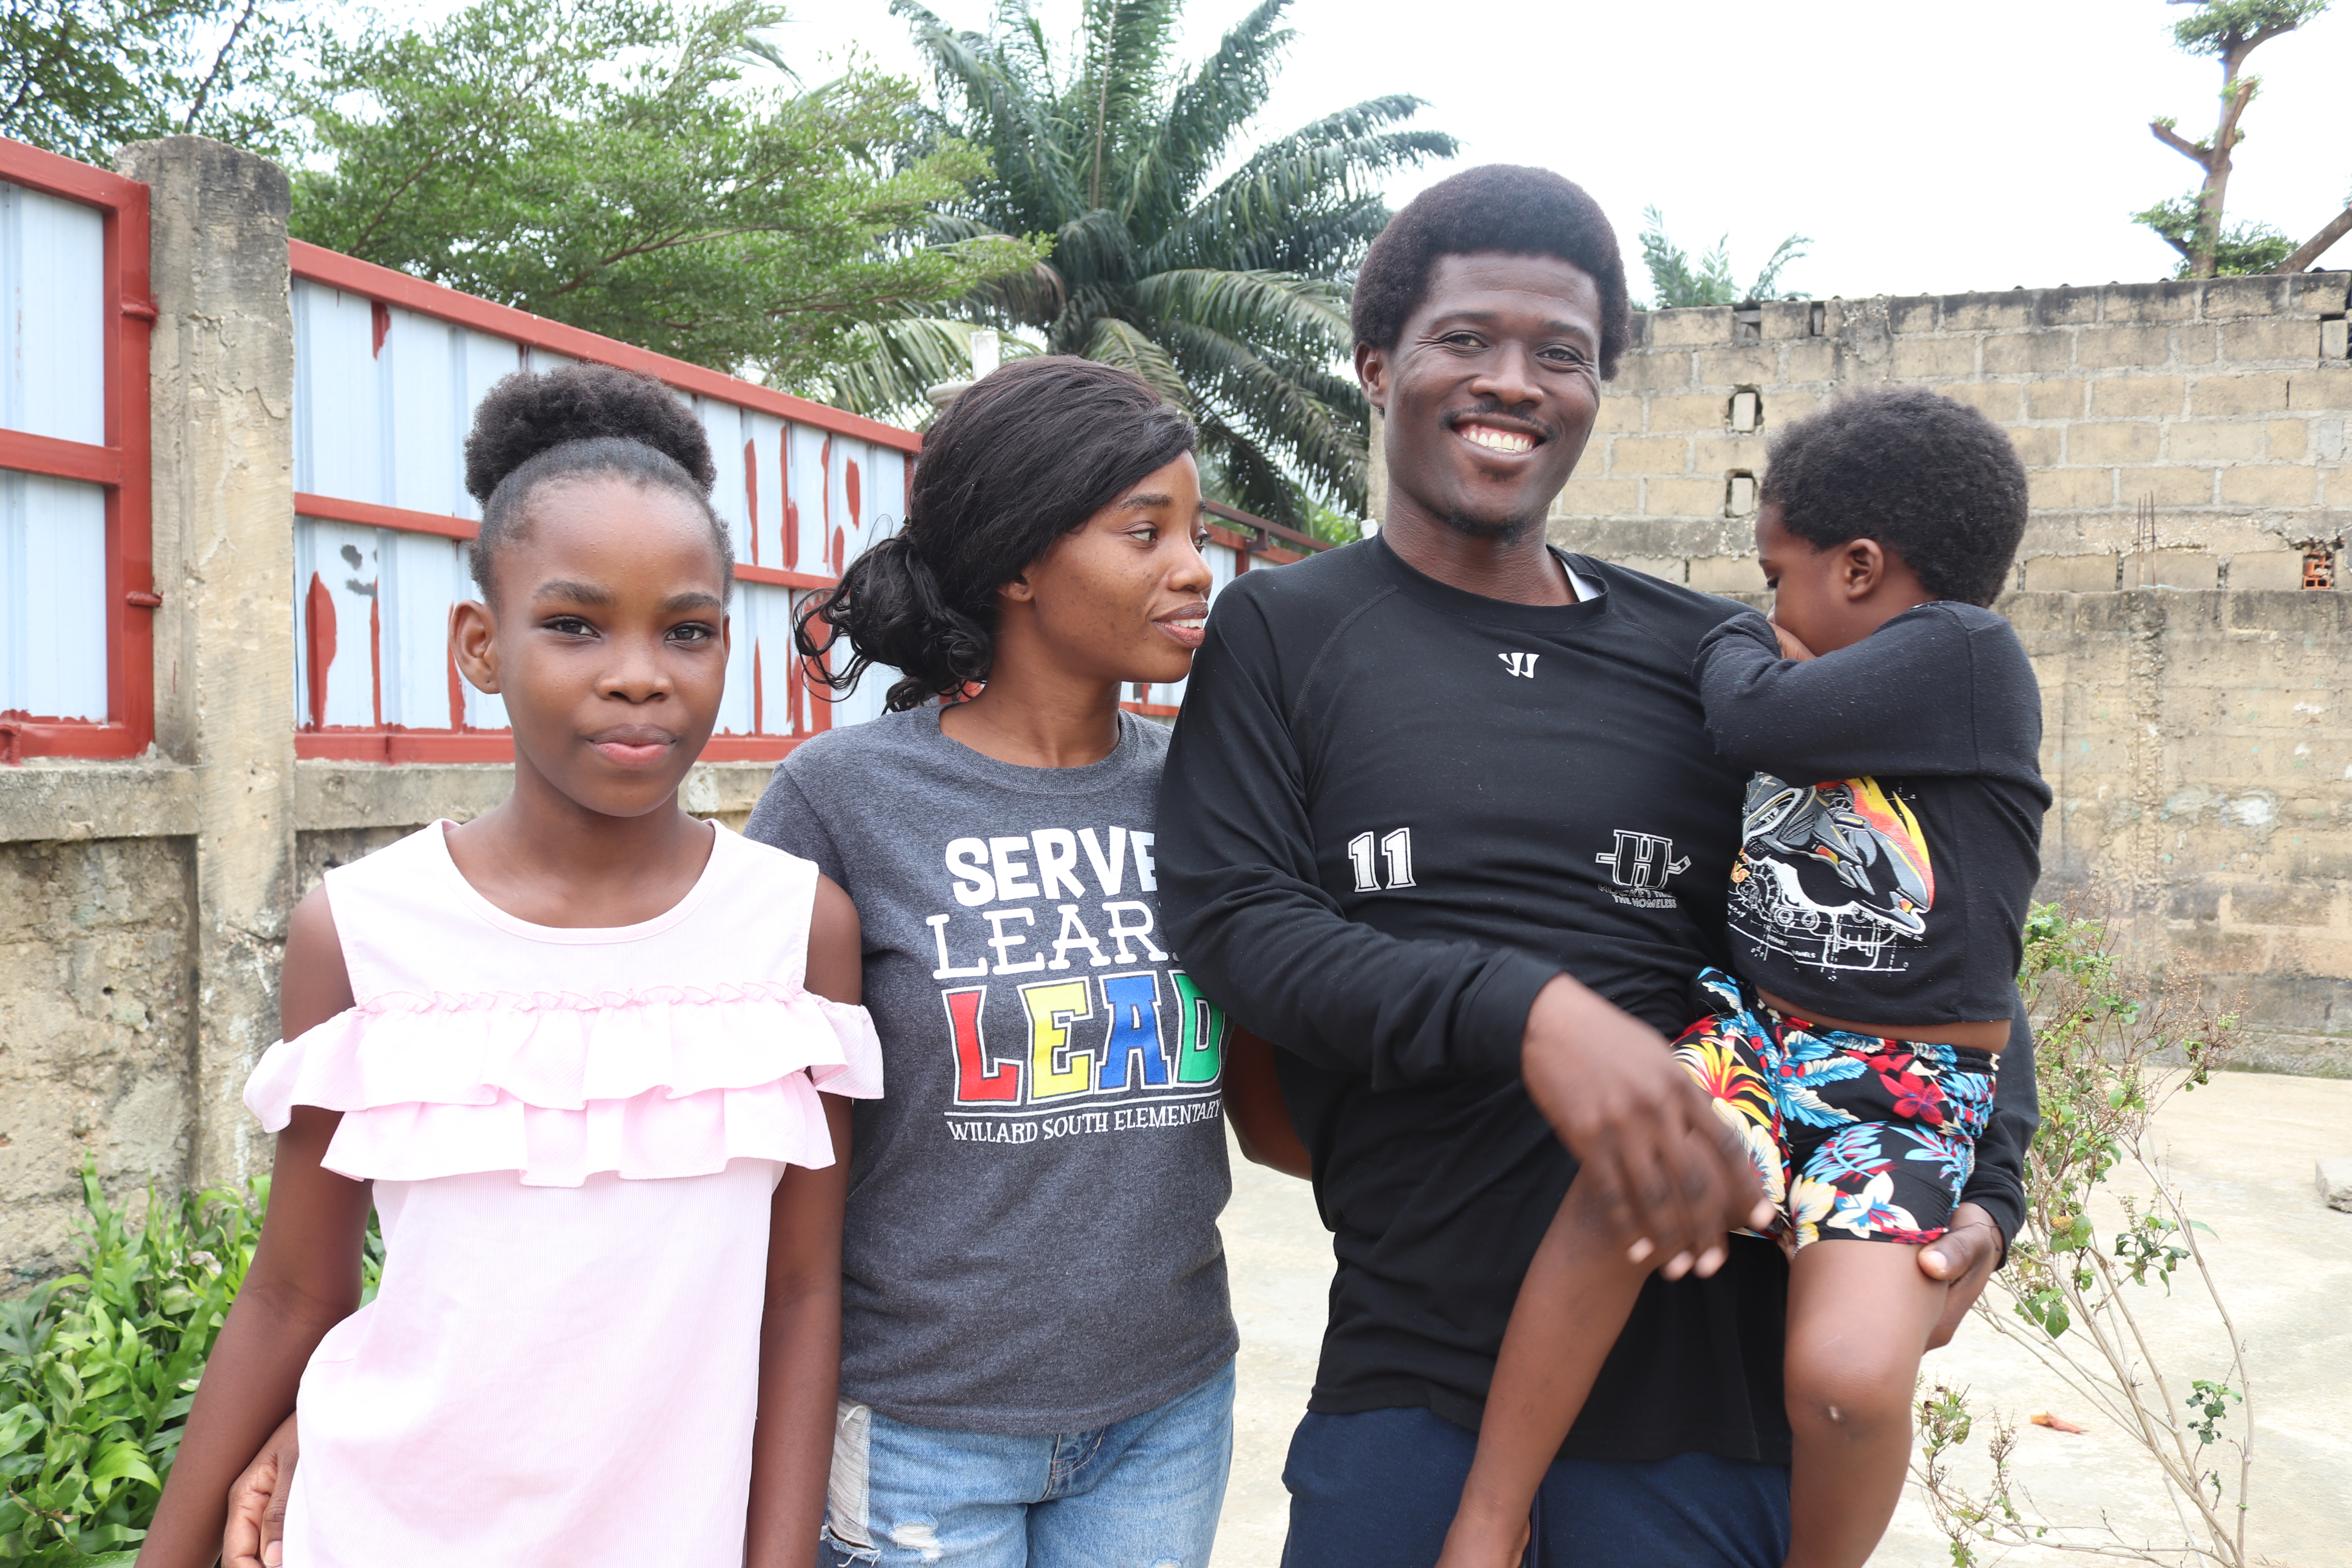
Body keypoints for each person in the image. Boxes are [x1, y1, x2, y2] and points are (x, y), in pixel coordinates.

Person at [1154, 164, 2042, 1568]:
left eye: (1560, 354)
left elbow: (1923, 907)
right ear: (1377, 366)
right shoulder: (1283, 634)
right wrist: (1526, 1010)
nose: (1513, 381)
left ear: (1596, 391)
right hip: (1421, 1361)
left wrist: (1990, 1188)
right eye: (1467, 340)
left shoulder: (1717, 661)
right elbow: (1237, 920)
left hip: (1708, 1382)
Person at [139, 364, 880, 1568]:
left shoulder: (798, 930)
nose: (640, 672)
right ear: (480, 646)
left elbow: (801, 1295)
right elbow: (293, 1290)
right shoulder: (360, 930)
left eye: (687, 630)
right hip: (382, 1531)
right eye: (576, 624)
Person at [1440, 387, 2047, 1568]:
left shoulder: (1966, 656)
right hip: (1760, 1042)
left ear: (1862, 568)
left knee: (1847, 1379)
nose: (1771, 607)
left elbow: (1752, 714)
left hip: (1900, 1085)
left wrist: (1721, 633)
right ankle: (1490, 1512)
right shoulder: (1880, 680)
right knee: (1623, 1186)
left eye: (1780, 577)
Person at [743, 356, 1239, 1568]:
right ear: (1021, 562)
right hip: (921, 1426)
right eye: (1146, 531)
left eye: (1196, 530)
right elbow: (760, 1140)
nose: (1196, 568)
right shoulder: (844, 800)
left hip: (1165, 1408)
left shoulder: (1208, 793)